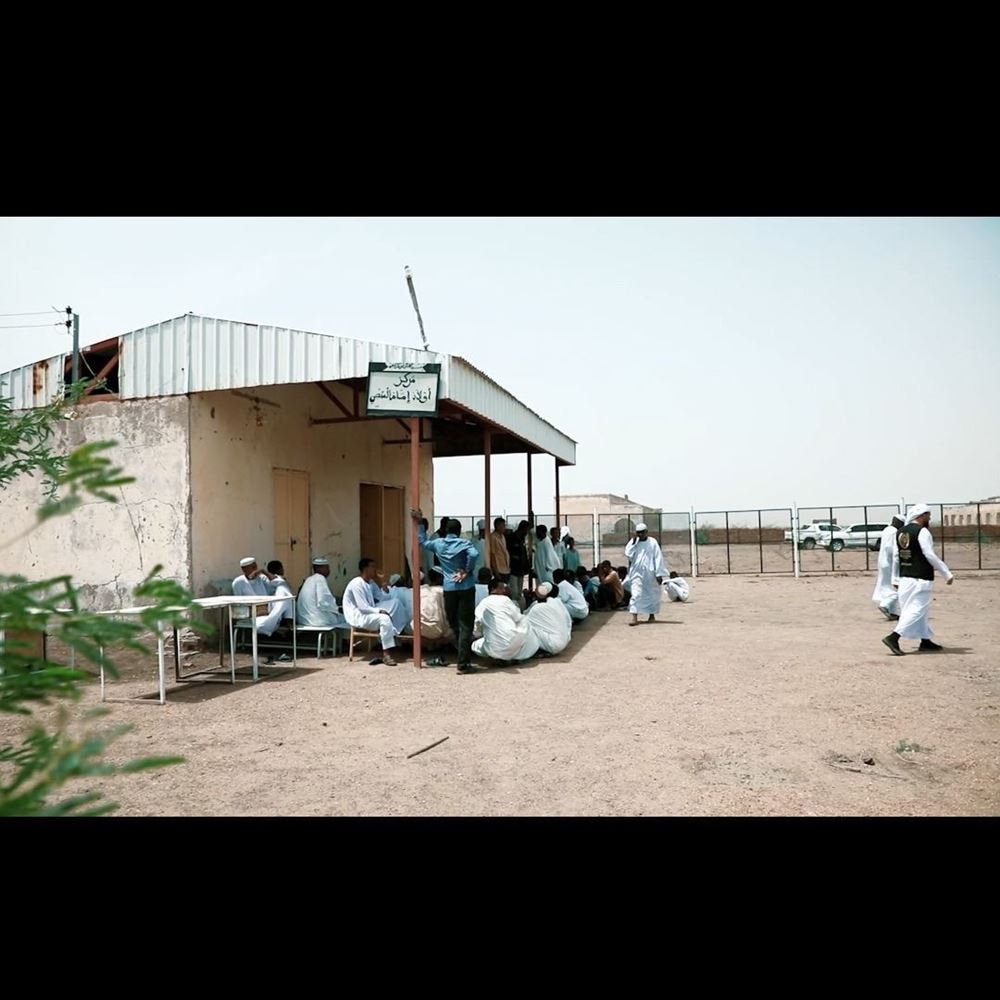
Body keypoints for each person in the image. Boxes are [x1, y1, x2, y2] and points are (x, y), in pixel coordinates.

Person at [413, 509, 482, 674]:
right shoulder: (465, 543)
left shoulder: (439, 543)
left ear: (446, 530)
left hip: (449, 588)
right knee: (466, 624)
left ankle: (462, 657)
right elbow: (474, 554)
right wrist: (466, 570)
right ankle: (463, 661)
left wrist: (420, 523)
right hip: (466, 587)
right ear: (458, 531)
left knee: (454, 623)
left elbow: (422, 541)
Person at [883, 503, 954, 656]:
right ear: (921, 516)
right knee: (916, 610)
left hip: (905, 578)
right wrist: (946, 572)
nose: (929, 518)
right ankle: (894, 637)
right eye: (928, 515)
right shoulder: (922, 532)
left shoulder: (900, 532)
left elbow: (896, 557)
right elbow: (929, 554)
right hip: (920, 578)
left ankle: (925, 640)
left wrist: (895, 578)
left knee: (919, 610)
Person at [342, 558, 404, 665]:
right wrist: (380, 611)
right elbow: (362, 607)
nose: (375, 569)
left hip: (369, 610)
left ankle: (392, 633)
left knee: (396, 602)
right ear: (365, 569)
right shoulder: (357, 583)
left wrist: (383, 582)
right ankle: (386, 655)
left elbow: (384, 598)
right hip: (359, 615)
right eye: (373, 567)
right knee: (384, 618)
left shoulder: (371, 583)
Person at [472, 577, 541, 663]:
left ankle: (499, 658)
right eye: (501, 588)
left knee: (475, 645)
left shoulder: (482, 604)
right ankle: (513, 658)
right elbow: (518, 617)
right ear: (493, 589)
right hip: (511, 644)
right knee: (525, 621)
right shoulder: (506, 600)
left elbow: (477, 627)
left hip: (494, 648)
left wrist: (480, 635)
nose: (504, 591)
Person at [232, 556, 286, 636]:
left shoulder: (261, 578)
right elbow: (238, 605)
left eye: (256, 567)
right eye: (253, 567)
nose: (255, 570)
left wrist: (264, 571)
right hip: (250, 614)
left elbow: (280, 583)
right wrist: (255, 611)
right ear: (244, 569)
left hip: (267, 611)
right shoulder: (238, 582)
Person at [625, 522, 665, 626]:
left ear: (646, 532)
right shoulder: (633, 542)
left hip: (650, 573)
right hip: (636, 572)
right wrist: (633, 543)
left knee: (652, 594)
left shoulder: (653, 542)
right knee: (636, 594)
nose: (640, 535)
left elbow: (658, 558)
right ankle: (634, 617)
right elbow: (628, 554)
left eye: (642, 532)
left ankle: (651, 616)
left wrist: (659, 573)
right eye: (638, 533)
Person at [298, 556, 349, 630]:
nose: (329, 570)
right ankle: (345, 641)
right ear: (319, 569)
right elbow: (323, 601)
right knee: (346, 618)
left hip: (304, 619)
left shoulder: (309, 579)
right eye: (327, 568)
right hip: (317, 620)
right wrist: (337, 608)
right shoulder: (320, 578)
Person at [872, 514, 905, 621]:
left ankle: (892, 612)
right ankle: (885, 605)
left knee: (885, 586)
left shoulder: (886, 530)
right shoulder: (894, 532)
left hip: (882, 562)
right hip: (890, 563)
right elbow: (894, 552)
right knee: (896, 587)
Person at [524, 581, 572, 655]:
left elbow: (523, 621)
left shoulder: (537, 607)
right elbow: (568, 622)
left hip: (554, 645)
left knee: (527, 628)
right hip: (565, 640)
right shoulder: (557, 602)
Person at [416, 570, 455, 645]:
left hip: (418, 629)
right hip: (437, 629)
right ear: (440, 579)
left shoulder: (421, 590)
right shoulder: (443, 591)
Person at [506, 520, 531, 608]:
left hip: (521, 569)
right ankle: (513, 609)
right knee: (514, 592)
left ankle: (519, 609)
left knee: (519, 593)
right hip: (513, 568)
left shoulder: (522, 538)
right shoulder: (512, 537)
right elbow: (508, 551)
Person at [490, 517, 511, 585]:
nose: (505, 527)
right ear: (498, 526)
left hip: (506, 569)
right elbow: (492, 555)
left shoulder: (503, 537)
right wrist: (496, 572)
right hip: (499, 570)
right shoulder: (493, 537)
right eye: (503, 525)